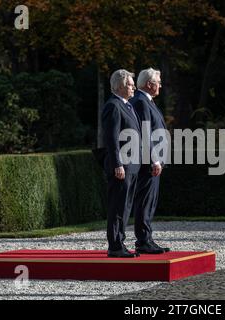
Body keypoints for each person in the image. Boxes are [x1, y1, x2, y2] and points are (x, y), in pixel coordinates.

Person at [129, 68, 170, 254]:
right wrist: (154, 160)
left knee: (149, 201)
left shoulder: (146, 101)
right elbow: (145, 134)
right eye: (158, 82)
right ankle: (143, 241)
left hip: (153, 161)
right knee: (145, 201)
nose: (160, 85)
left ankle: (147, 238)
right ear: (149, 84)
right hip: (148, 162)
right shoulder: (141, 101)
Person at [102, 69, 141, 258]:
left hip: (130, 165)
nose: (133, 86)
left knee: (125, 207)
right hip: (121, 166)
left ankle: (120, 242)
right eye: (129, 84)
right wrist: (117, 164)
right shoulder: (113, 106)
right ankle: (115, 246)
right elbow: (111, 138)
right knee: (118, 206)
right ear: (119, 86)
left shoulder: (126, 105)